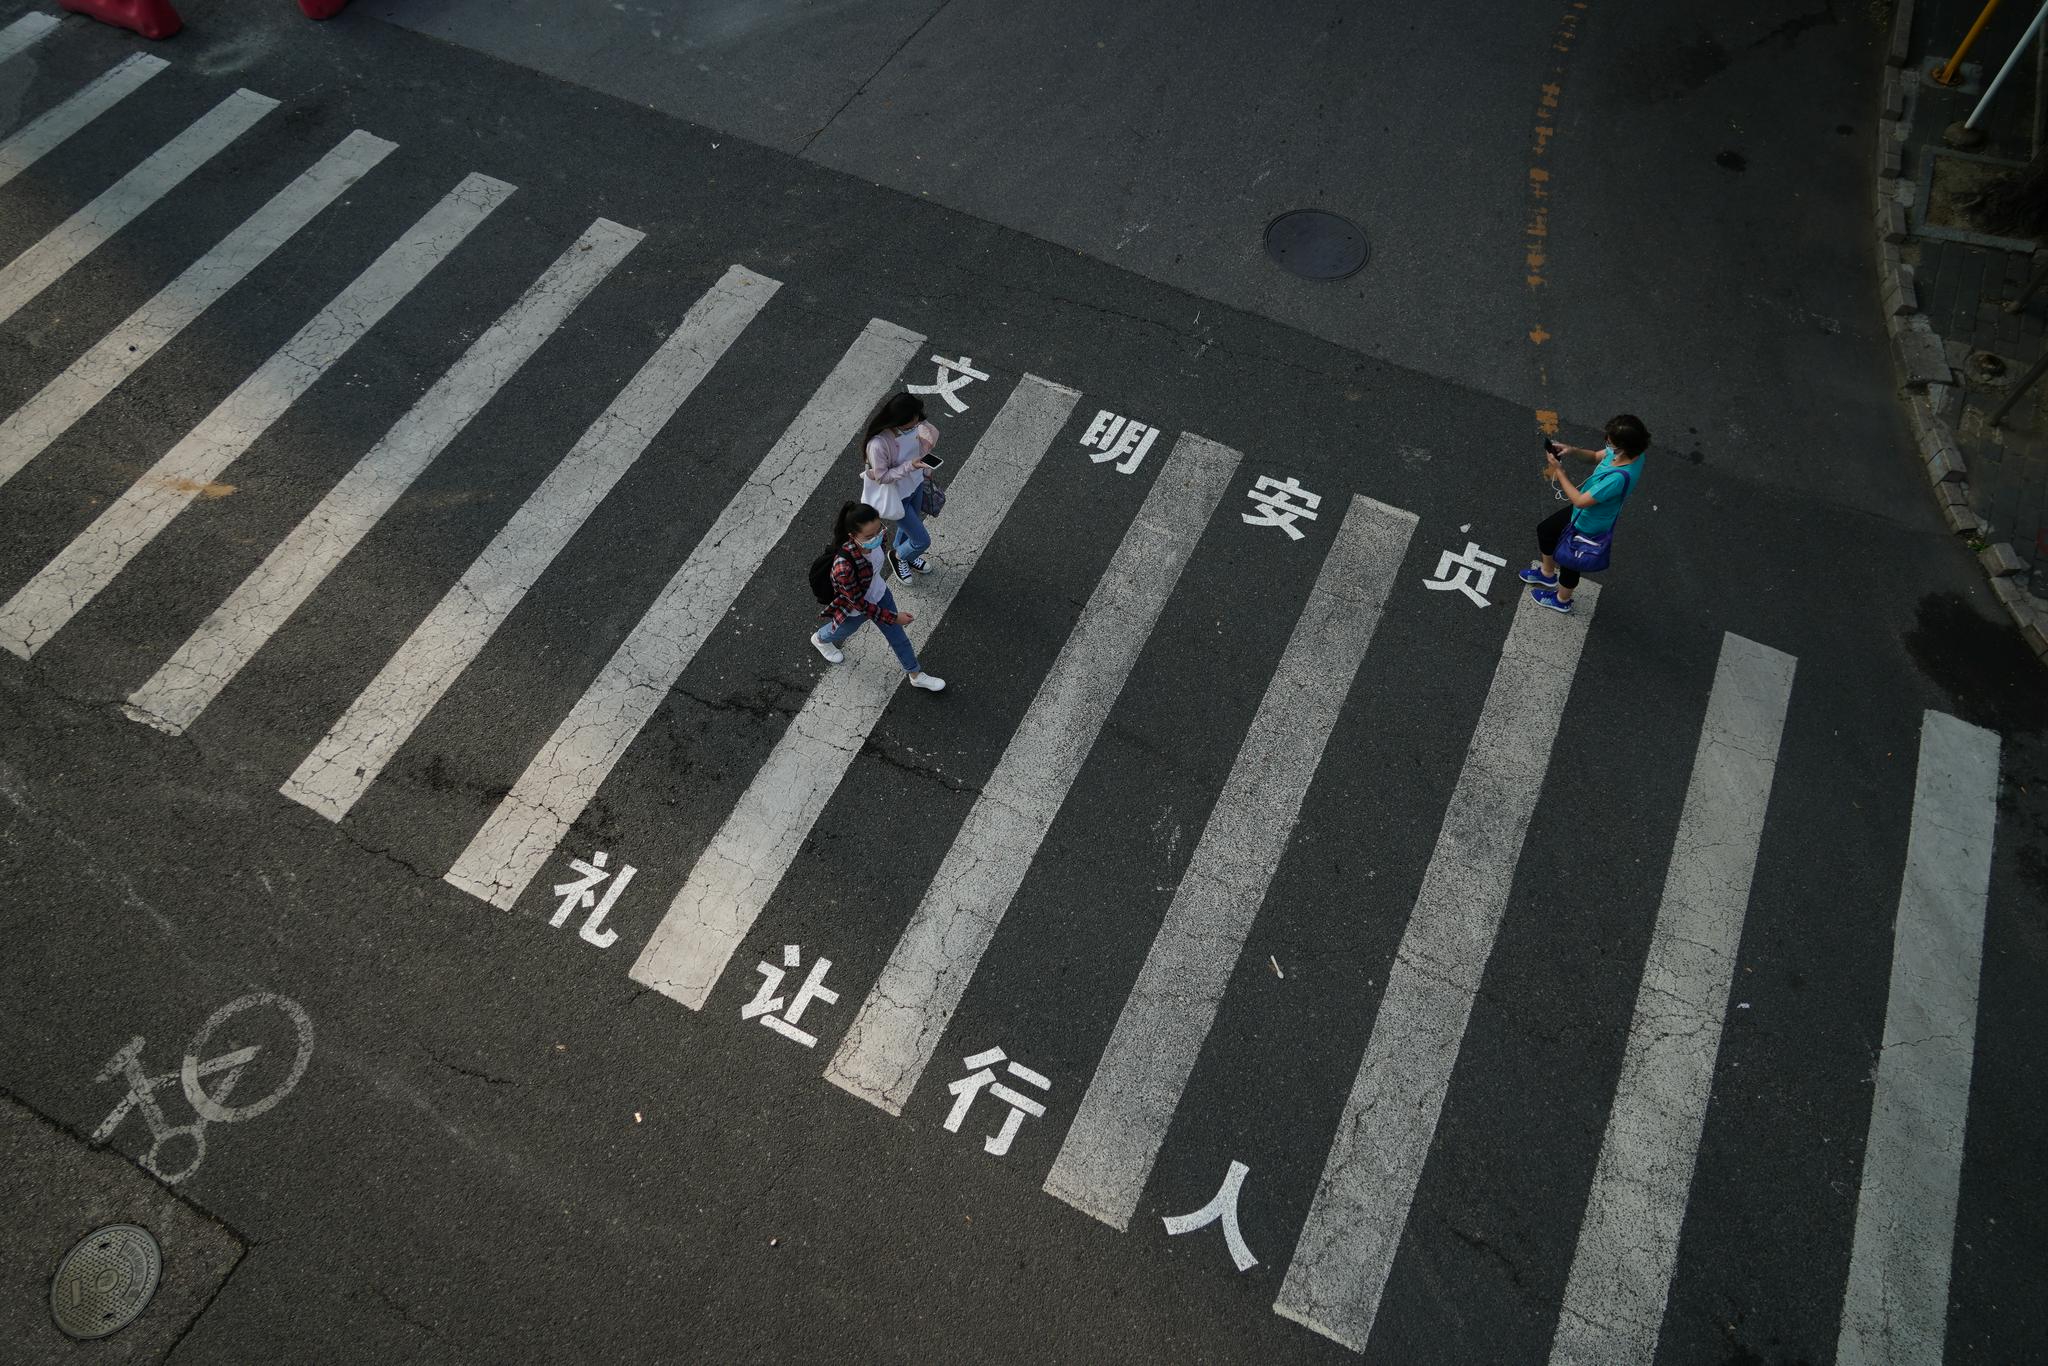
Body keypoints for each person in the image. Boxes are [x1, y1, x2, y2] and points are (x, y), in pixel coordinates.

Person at [1520, 413, 1650, 614]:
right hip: (1581, 514)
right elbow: (1596, 456)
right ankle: (1547, 573)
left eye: (1611, 441)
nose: (1607, 443)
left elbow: (1580, 501)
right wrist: (1571, 451)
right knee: (1546, 530)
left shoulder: (1618, 478)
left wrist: (1559, 471)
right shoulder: (1631, 453)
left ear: (1624, 446)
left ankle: (1562, 600)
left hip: (1589, 522)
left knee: (1570, 562)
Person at [810, 501, 946, 691]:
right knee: (843, 630)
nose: (877, 536)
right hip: (856, 608)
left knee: (898, 638)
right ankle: (820, 639)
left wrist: (891, 618)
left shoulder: (877, 539)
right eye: (869, 535)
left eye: (878, 530)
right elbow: (860, 604)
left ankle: (915, 674)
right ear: (853, 536)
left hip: (880, 594)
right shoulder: (843, 567)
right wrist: (893, 617)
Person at [860, 393, 939, 584]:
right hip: (898, 495)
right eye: (911, 423)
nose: (915, 425)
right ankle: (899, 556)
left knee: (912, 528)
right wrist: (911, 466)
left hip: (916, 484)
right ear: (898, 421)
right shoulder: (878, 445)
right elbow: (883, 477)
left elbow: (924, 441)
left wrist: (924, 469)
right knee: (921, 540)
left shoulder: (911, 426)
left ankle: (906, 553)